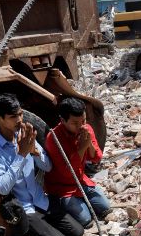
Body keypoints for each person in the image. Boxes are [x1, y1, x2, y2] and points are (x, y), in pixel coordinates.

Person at [0, 93, 84, 236]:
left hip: (41, 201)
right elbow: (2, 187)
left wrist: (35, 151)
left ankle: (41, 228)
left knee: (78, 232)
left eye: (21, 114)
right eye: (13, 116)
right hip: (22, 209)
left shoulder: (24, 135)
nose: (20, 120)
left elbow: (47, 167)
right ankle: (18, 234)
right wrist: (21, 154)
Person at [45, 97, 111, 228]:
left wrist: (89, 145)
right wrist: (81, 148)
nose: (81, 126)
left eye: (84, 120)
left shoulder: (86, 129)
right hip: (62, 186)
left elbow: (96, 158)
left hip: (81, 181)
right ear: (63, 120)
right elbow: (67, 172)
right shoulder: (53, 138)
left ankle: (82, 201)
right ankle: (64, 203)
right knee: (86, 220)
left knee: (105, 208)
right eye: (75, 123)